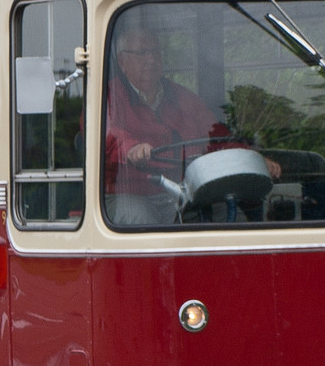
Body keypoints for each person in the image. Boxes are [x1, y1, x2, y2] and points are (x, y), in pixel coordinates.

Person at [103, 14, 276, 225]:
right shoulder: (107, 97)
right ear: (122, 62)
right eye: (142, 53)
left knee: (229, 216)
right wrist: (132, 148)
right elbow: (105, 136)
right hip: (129, 193)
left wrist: (251, 158)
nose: (151, 59)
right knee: (140, 219)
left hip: (181, 191)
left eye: (156, 53)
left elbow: (217, 137)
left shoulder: (183, 97)